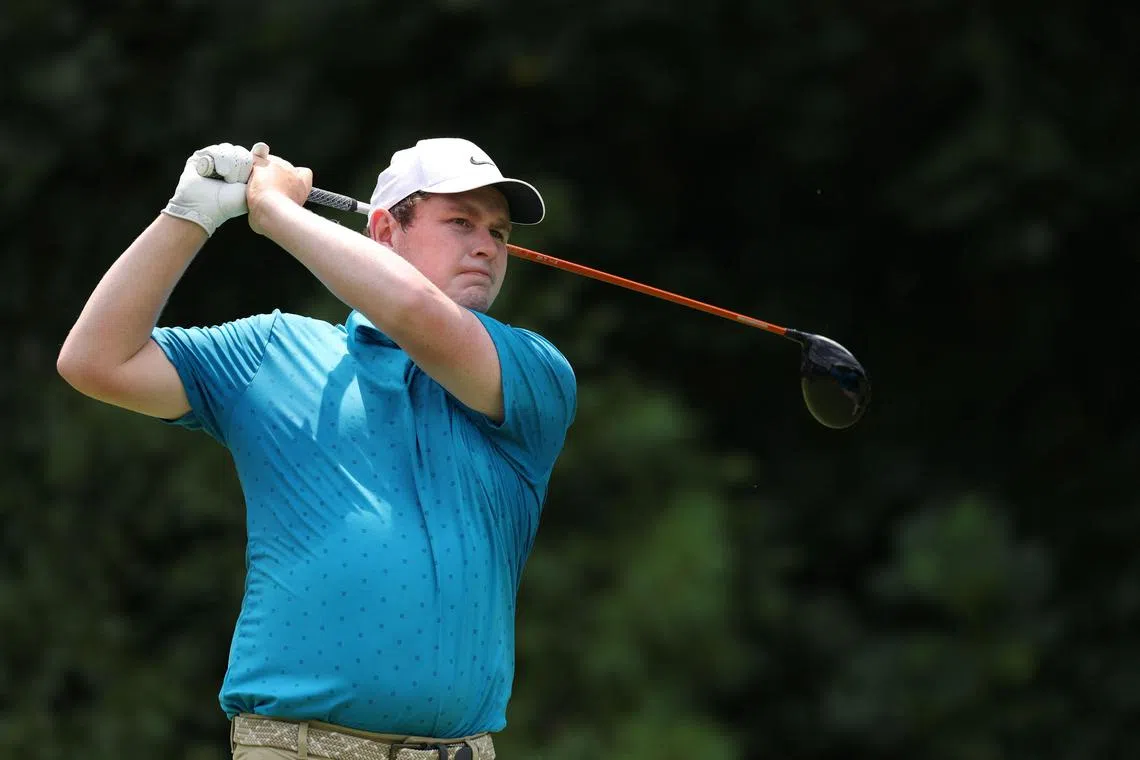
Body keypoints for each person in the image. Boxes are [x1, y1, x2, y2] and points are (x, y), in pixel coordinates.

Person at [56, 138, 577, 760]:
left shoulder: (533, 372)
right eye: (461, 222)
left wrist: (276, 211)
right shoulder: (271, 351)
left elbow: (415, 310)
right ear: (384, 230)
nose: (488, 246)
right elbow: (94, 361)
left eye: (499, 232)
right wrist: (188, 216)